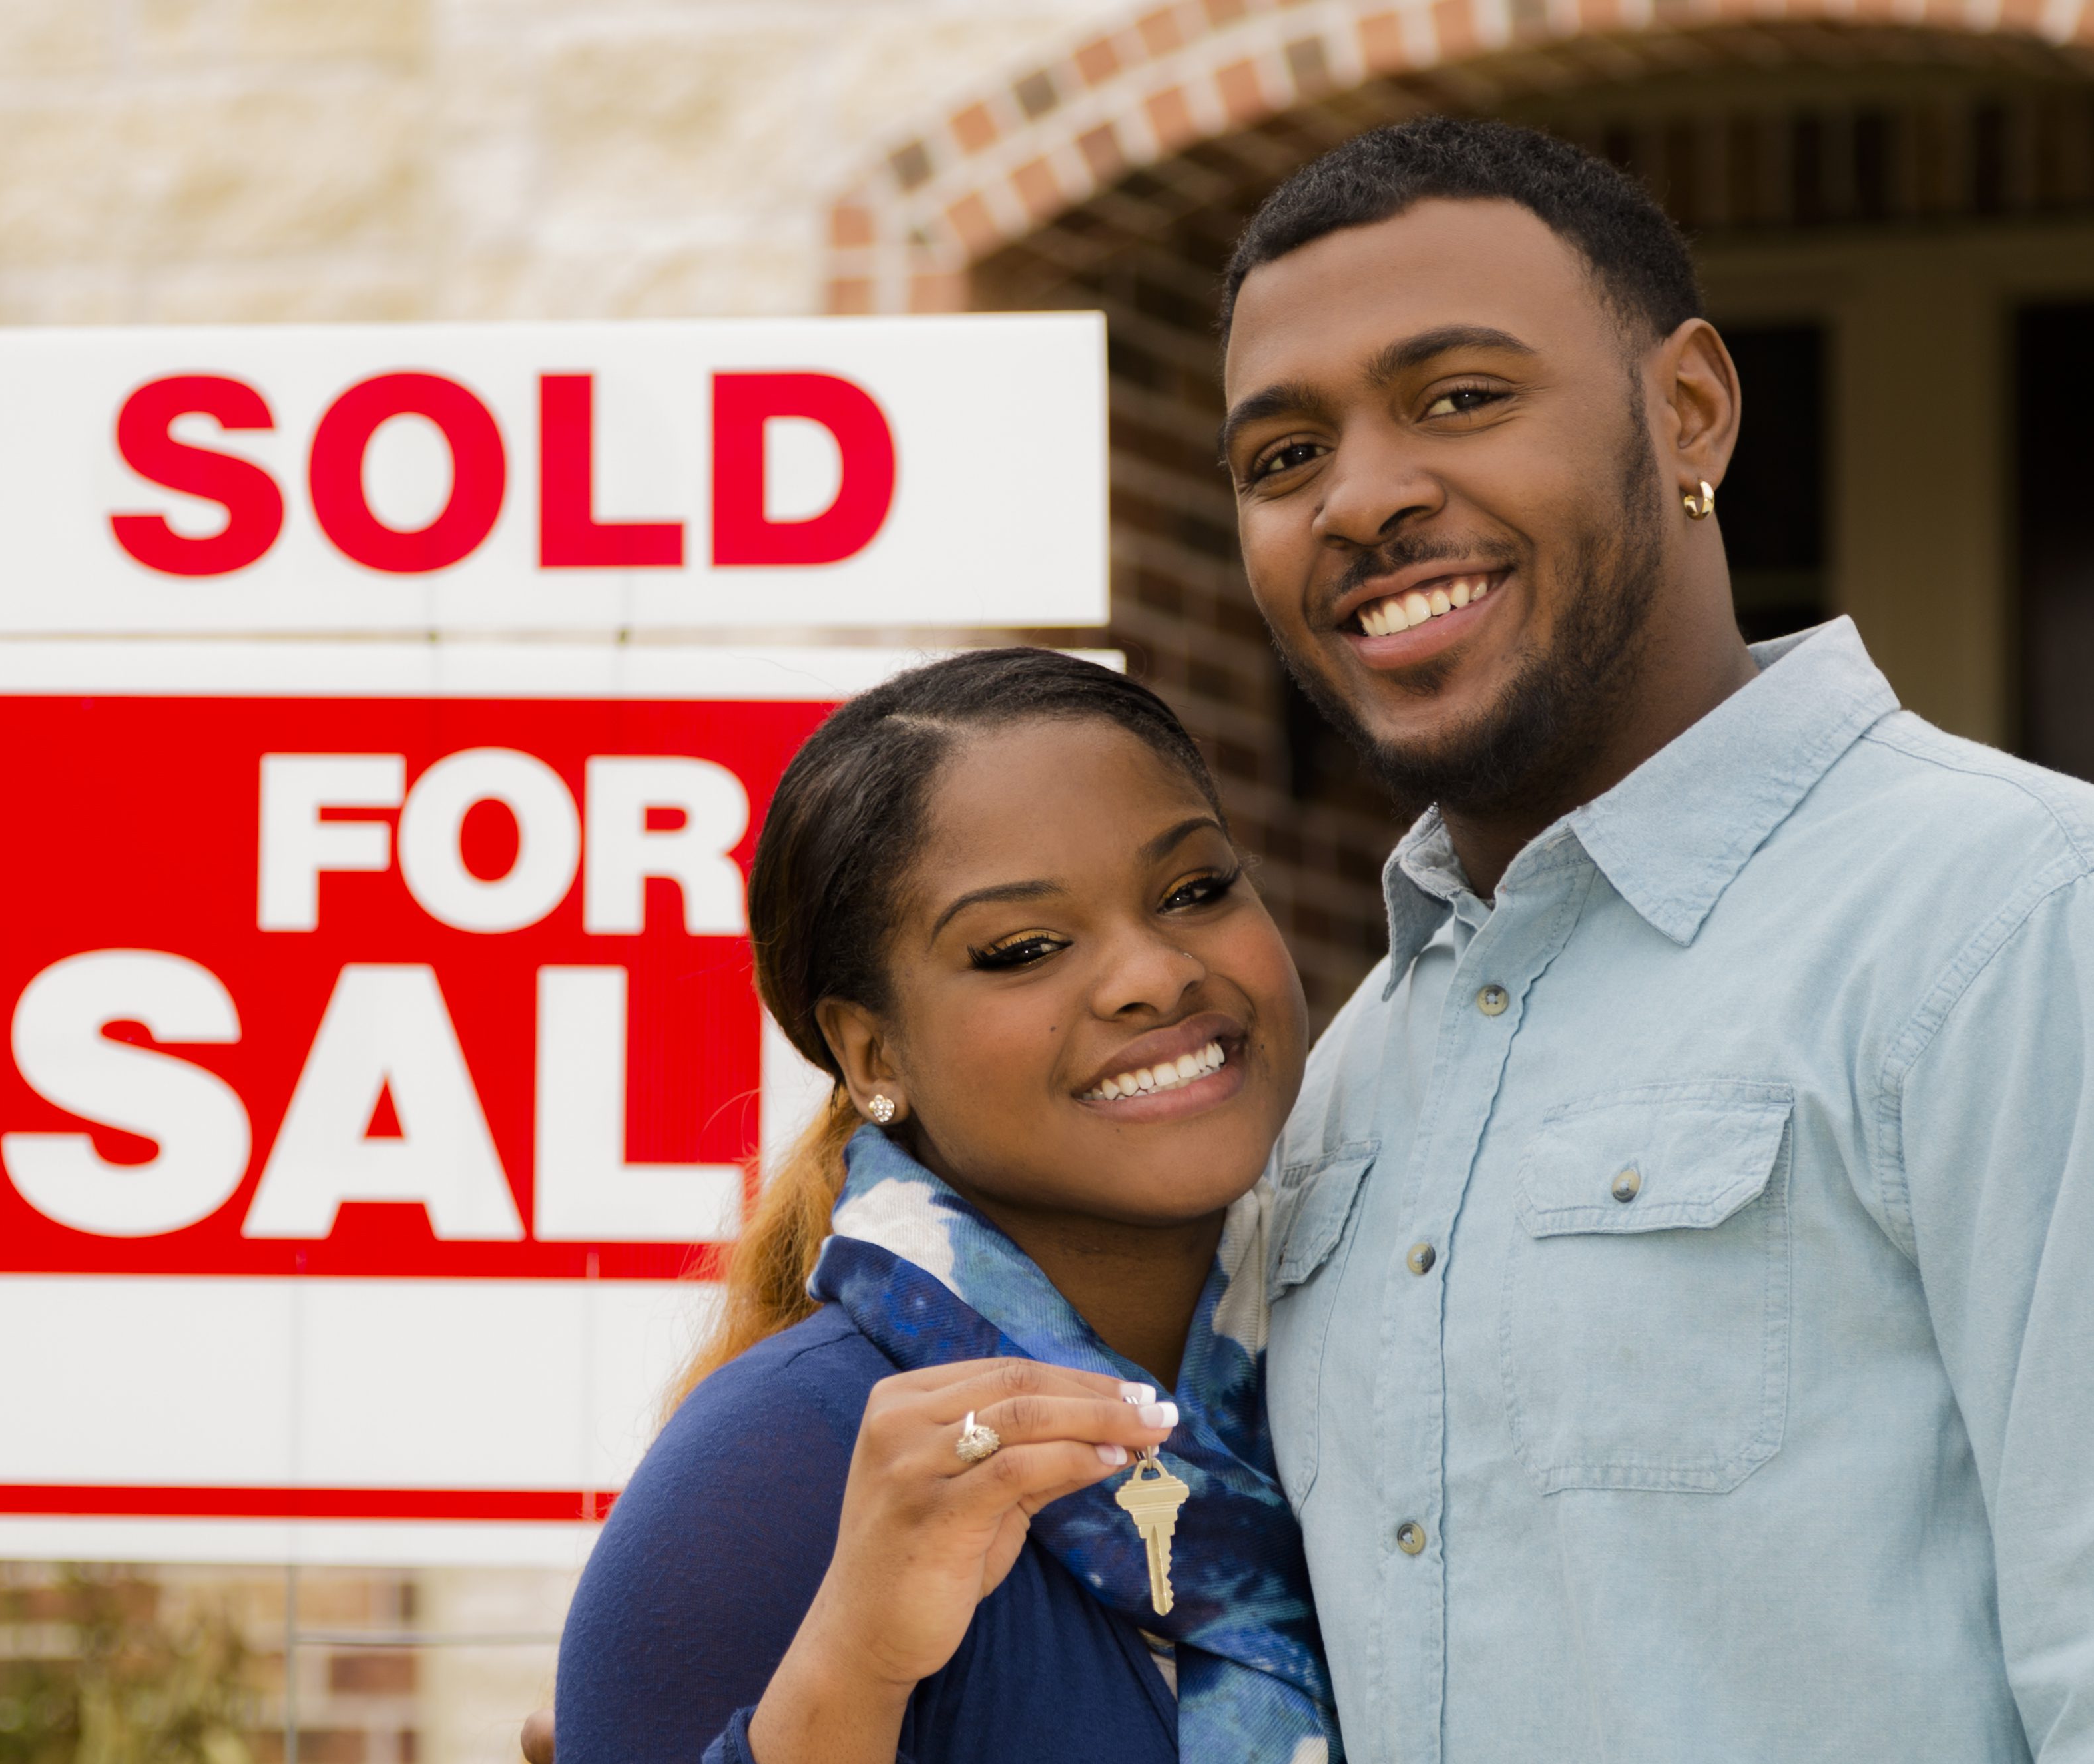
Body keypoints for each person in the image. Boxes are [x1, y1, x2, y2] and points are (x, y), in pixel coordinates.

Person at [1224, 115, 2094, 1761]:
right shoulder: (1350, 1070)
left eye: (1460, 398)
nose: (1361, 499)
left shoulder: (2018, 920)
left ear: (1686, 407)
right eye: (1282, 458)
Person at [549, 648, 1338, 1763]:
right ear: (873, 1053)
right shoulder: (773, 1474)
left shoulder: (1385, 1355)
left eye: (1195, 889)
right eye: (1024, 949)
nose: (1153, 973)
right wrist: (854, 1666)